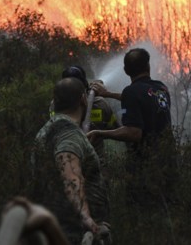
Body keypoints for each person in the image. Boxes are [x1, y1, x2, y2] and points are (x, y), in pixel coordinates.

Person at [87, 48, 176, 242]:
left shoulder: (132, 92)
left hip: (144, 166)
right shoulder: (161, 88)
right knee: (167, 211)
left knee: (142, 216)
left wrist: (100, 133)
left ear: (126, 71)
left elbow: (134, 133)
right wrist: (109, 94)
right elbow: (140, 98)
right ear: (148, 66)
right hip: (169, 162)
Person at [30, 77, 111, 245]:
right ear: (83, 99)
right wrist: (86, 216)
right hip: (74, 232)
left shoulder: (47, 129)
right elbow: (69, 171)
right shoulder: (68, 132)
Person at [59, 66, 120, 157]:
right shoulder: (100, 103)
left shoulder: (56, 105)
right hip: (96, 160)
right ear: (85, 84)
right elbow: (114, 128)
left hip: (67, 160)